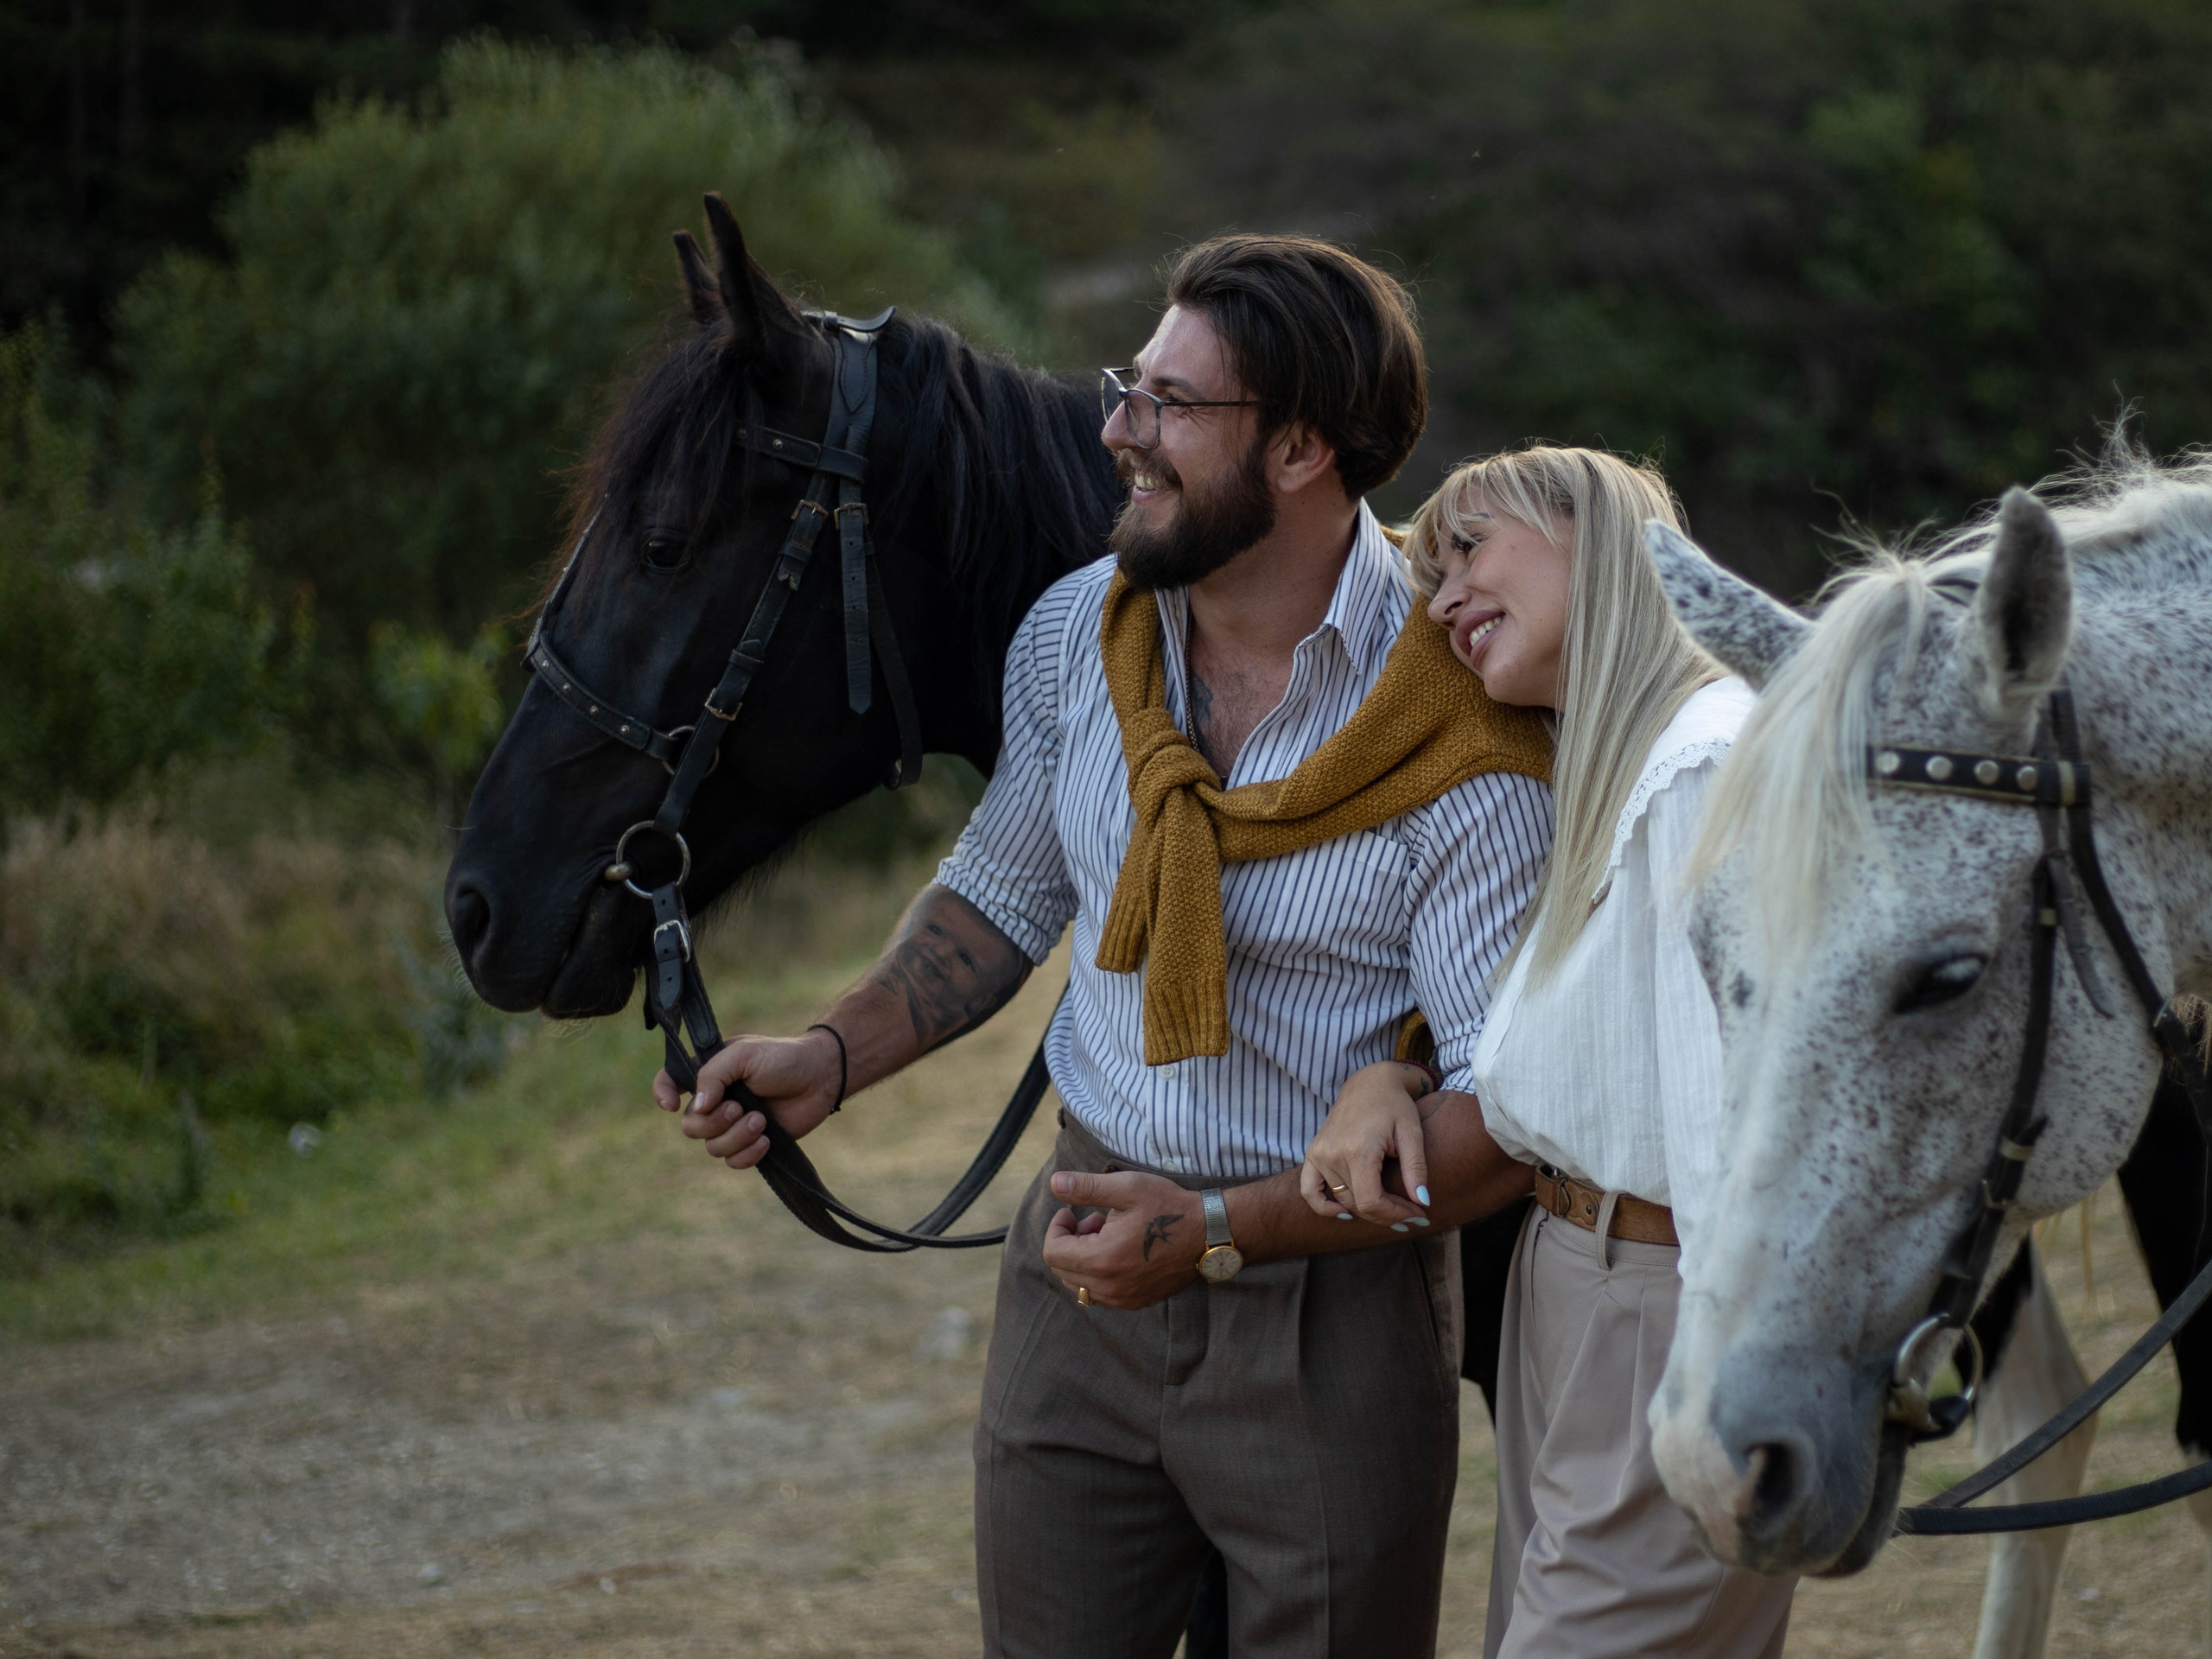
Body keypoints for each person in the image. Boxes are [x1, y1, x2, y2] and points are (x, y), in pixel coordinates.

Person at [655, 234, 1555, 1657]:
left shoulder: (1460, 722)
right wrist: (835, 1052)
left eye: (1170, 404)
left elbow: (1502, 1122)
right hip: (1075, 1282)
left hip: (1332, 1310)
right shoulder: (1084, 631)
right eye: (1129, 387)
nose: (1117, 431)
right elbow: (1002, 892)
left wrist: (1203, 1233)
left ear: (1307, 448)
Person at [1300, 446, 1797, 1657]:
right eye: (1428, 575)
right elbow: (1574, 1065)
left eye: (1470, 548)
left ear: (1600, 534)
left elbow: (1727, 1144)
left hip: (1667, 1308)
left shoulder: (1701, 767)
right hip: (1572, 1288)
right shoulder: (1611, 770)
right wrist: (1394, 1078)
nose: (1444, 598)